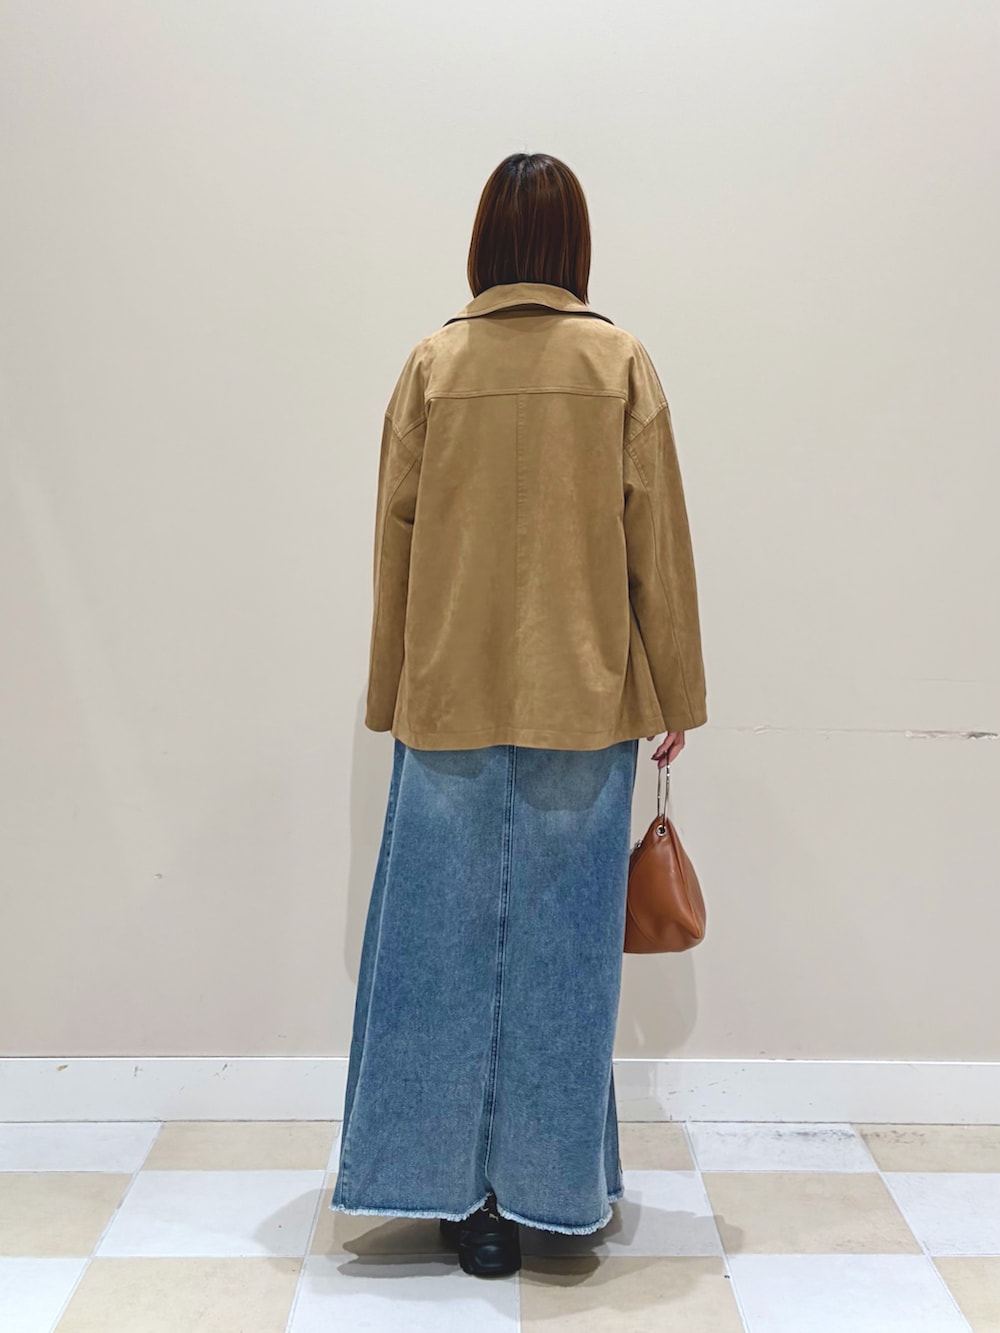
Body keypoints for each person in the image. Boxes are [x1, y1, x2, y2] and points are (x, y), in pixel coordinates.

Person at [329, 152, 707, 1277]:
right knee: (563, 964)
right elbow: (656, 544)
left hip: (447, 701)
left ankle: (446, 1190)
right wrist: (675, 689)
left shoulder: (432, 366)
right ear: (572, 246)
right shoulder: (619, 363)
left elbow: (393, 546)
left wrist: (390, 690)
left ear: (485, 243)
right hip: (582, 703)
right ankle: (551, 1192)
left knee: (432, 958)